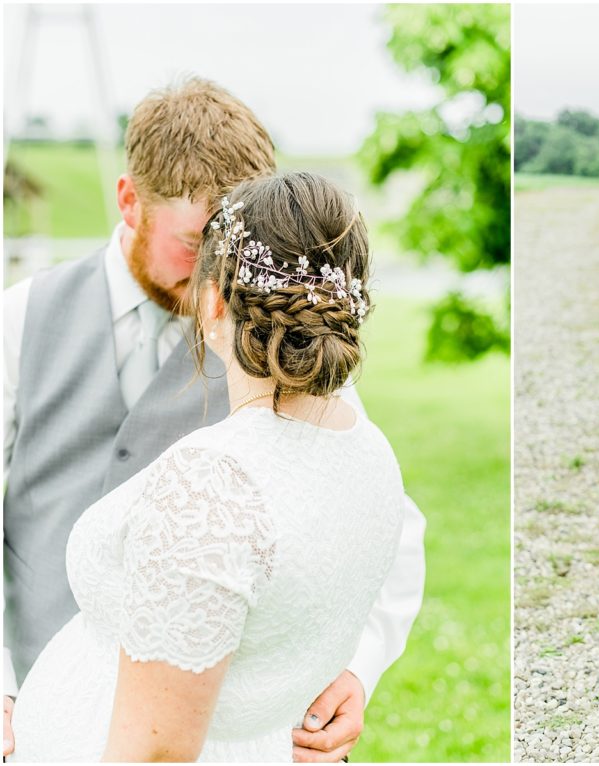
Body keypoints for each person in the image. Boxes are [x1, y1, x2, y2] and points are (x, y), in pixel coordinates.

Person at [3, 78, 425, 761]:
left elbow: (377, 516)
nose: (216, 278)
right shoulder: (22, 317)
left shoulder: (288, 348)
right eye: (196, 244)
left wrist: (359, 666)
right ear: (129, 201)